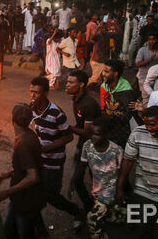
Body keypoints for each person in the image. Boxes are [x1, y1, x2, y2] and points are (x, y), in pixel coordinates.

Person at [116, 106, 158, 237]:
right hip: (144, 193)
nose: (148, 128)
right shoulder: (138, 134)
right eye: (146, 124)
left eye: (152, 124)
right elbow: (128, 160)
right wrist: (120, 187)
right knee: (140, 232)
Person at [29, 77, 83, 230]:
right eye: (31, 91)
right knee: (34, 193)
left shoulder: (56, 113)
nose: (32, 95)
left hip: (54, 161)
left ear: (46, 93)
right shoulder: (32, 108)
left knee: (50, 196)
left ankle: (77, 211)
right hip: (40, 159)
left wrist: (47, 148)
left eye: (36, 93)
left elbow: (69, 137)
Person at [0, 103, 46, 238]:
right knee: (8, 233)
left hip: (26, 202)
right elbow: (25, 165)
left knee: (24, 234)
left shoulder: (23, 143)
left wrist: (7, 192)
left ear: (13, 119)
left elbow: (33, 176)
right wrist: (8, 174)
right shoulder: (28, 135)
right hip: (19, 199)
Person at [72, 117, 124, 239]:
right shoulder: (87, 146)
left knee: (92, 219)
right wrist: (73, 182)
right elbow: (81, 167)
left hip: (110, 193)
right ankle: (119, 216)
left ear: (106, 134)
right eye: (91, 134)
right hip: (97, 191)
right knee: (113, 216)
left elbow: (122, 174)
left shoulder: (116, 151)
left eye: (97, 134)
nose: (93, 137)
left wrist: (121, 191)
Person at [66, 70, 101, 212]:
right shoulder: (76, 98)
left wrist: (66, 128)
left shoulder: (88, 104)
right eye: (67, 81)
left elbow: (88, 132)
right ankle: (89, 207)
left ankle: (95, 209)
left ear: (81, 85)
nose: (67, 85)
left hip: (94, 146)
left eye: (70, 82)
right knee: (77, 179)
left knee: (94, 180)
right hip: (84, 144)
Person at [101, 59, 137, 149]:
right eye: (103, 71)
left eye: (106, 71)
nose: (103, 74)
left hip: (122, 131)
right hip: (108, 128)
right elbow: (104, 107)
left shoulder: (126, 90)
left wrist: (110, 116)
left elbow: (127, 115)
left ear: (116, 73)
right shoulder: (104, 86)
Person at [135, 33, 158, 104]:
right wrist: (150, 59)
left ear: (157, 40)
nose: (152, 41)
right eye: (150, 39)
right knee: (146, 99)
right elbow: (137, 64)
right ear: (147, 41)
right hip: (144, 78)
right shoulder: (142, 50)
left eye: (154, 39)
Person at [88, 23, 110, 88]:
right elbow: (92, 37)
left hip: (103, 60)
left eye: (105, 28)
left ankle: (102, 89)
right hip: (96, 61)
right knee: (94, 78)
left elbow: (118, 34)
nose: (104, 30)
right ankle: (84, 87)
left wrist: (115, 25)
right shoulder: (98, 36)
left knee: (104, 77)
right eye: (102, 28)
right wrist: (97, 27)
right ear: (100, 29)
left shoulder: (107, 35)